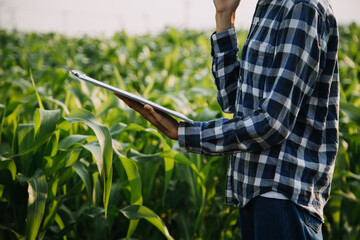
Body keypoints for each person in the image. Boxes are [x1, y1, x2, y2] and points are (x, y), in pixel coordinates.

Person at [116, 0, 339, 239]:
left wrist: (184, 133)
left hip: (283, 197)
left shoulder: (301, 7)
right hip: (254, 194)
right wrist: (224, 16)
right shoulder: (269, 6)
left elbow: (273, 124)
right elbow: (234, 101)